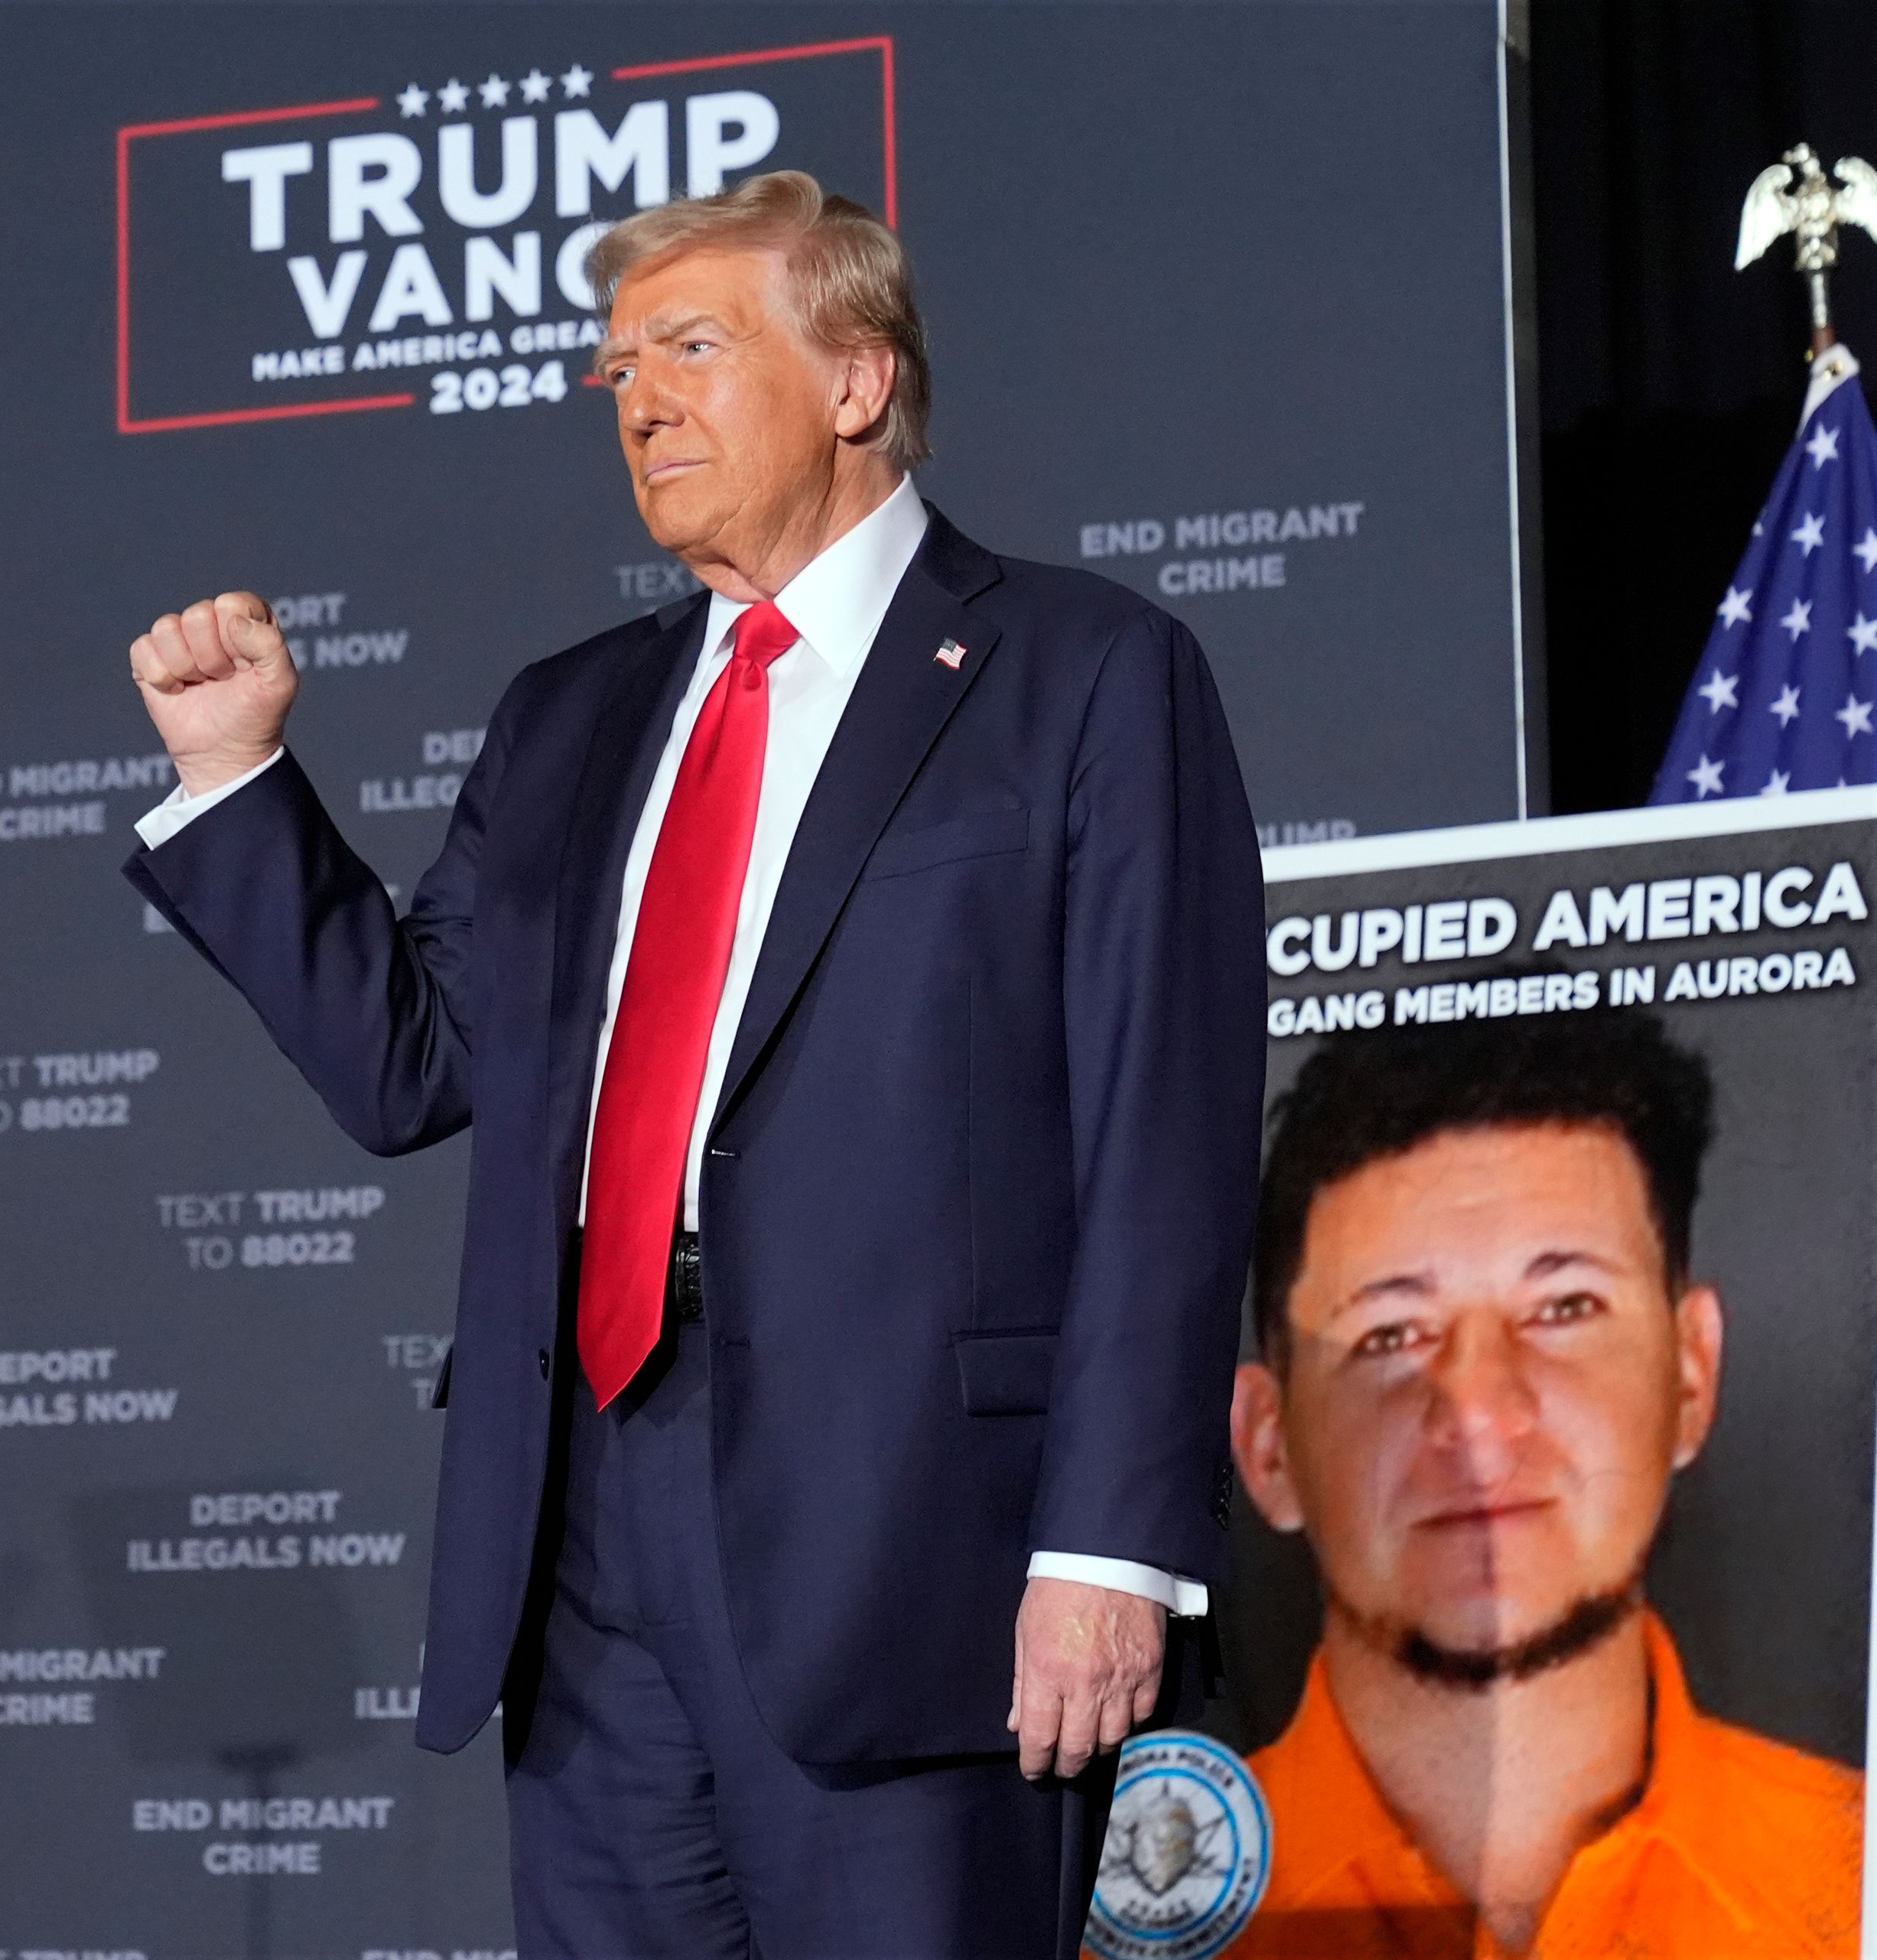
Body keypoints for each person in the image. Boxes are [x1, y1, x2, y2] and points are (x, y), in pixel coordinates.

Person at [124, 170, 1263, 1957]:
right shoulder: (567, 713)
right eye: (613, 368)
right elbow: (408, 1064)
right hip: (581, 1525)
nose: (636, 399)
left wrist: (1107, 1547)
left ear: (856, 381)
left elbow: (1164, 1143)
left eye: (688, 347)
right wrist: (235, 786)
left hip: (916, 1544)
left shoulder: (1081, 675)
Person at [1228, 1009, 1862, 1956]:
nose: (1478, 1414)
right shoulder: (1087, 1913)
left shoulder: (1857, 1876)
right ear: (1268, 1444)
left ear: (1690, 1375)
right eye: (1390, 1334)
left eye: (1565, 1307)